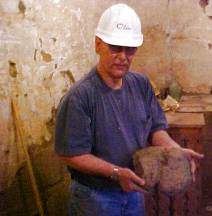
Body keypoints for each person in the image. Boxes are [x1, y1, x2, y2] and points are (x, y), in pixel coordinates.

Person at [54, 3, 203, 216]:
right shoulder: (81, 96)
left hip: (132, 190)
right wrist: (116, 173)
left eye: (130, 49)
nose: (123, 56)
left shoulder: (141, 85)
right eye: (115, 47)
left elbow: (156, 129)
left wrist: (173, 151)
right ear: (98, 45)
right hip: (95, 197)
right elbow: (70, 154)